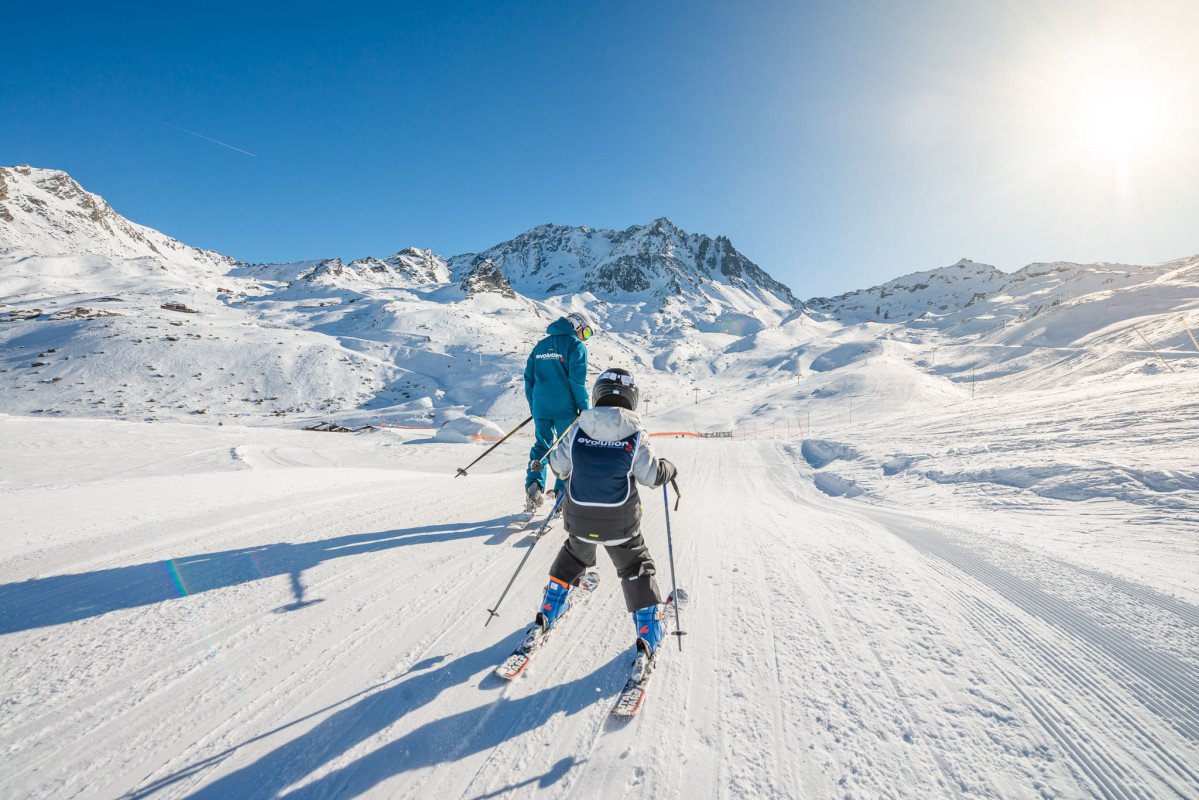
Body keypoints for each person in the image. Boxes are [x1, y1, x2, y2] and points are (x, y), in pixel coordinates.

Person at [521, 367, 678, 665]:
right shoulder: (636, 433)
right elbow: (651, 476)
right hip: (621, 525)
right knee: (635, 565)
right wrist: (669, 468)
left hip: (578, 520)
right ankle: (649, 631)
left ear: (598, 395)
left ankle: (548, 612)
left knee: (574, 555)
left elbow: (559, 466)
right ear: (633, 399)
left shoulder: (579, 427)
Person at [523, 311, 594, 512]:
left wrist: (535, 406)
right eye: (586, 333)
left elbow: (528, 380)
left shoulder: (540, 346)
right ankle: (563, 495)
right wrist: (585, 409)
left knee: (541, 446)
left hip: (541, 407)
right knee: (567, 449)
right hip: (566, 408)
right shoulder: (575, 346)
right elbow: (577, 381)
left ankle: (534, 486)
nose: (585, 338)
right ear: (577, 325)